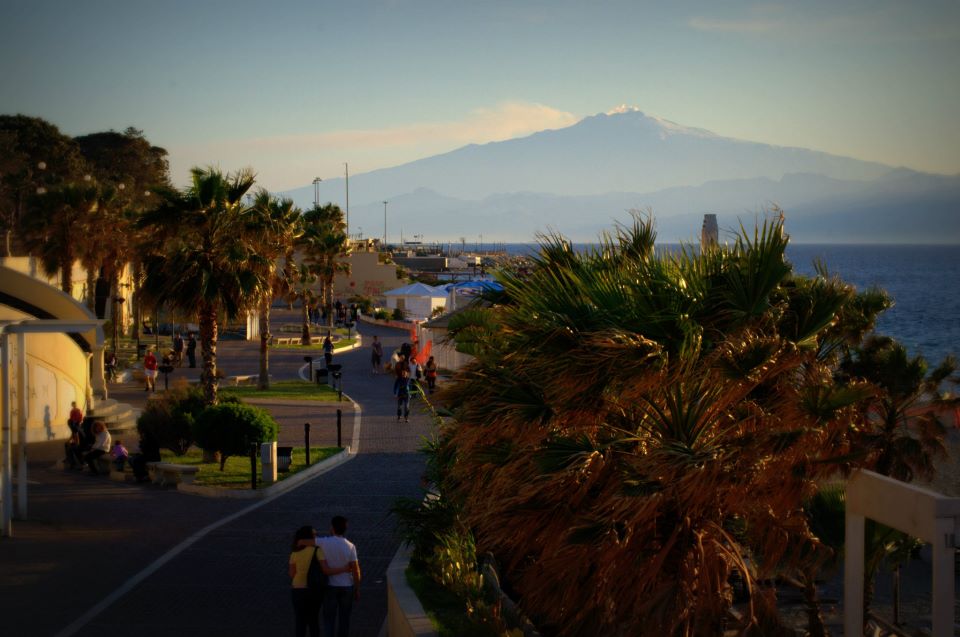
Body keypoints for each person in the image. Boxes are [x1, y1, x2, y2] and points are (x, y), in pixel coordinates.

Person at [289, 526, 348, 637]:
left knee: (300, 621)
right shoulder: (317, 550)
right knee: (313, 620)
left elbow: (292, 574)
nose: (316, 537)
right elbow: (326, 570)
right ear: (309, 537)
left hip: (297, 590)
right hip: (313, 590)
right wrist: (344, 569)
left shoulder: (294, 553)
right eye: (314, 535)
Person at [317, 516, 361, 637]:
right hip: (347, 586)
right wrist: (357, 588)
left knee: (329, 619)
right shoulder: (351, 546)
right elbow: (356, 570)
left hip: (330, 586)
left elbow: (308, 541)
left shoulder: (324, 542)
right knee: (344, 619)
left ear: (332, 528)